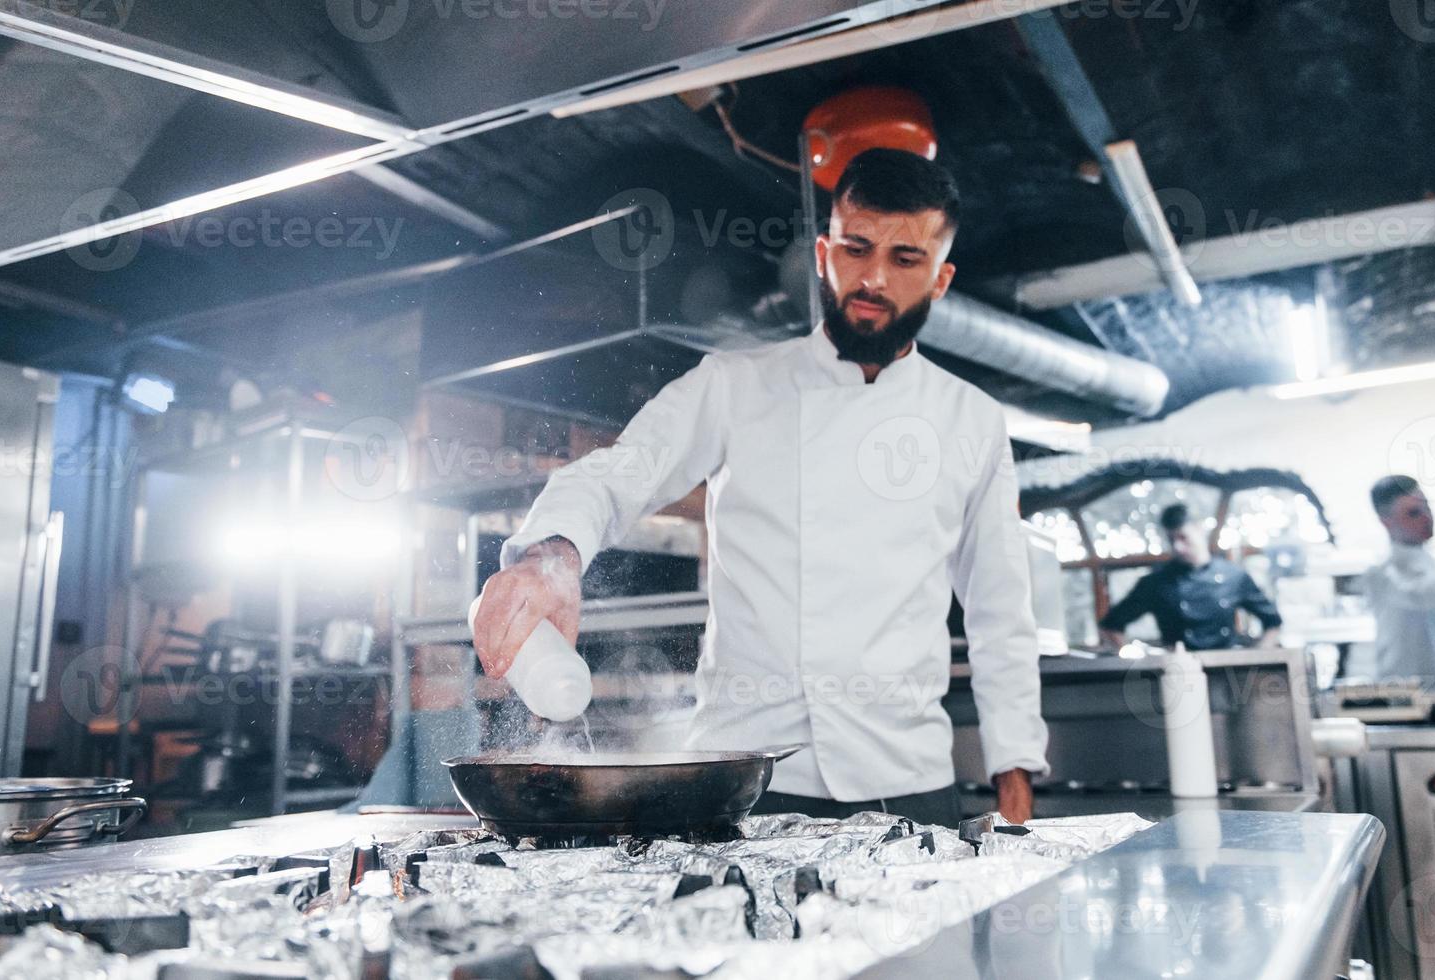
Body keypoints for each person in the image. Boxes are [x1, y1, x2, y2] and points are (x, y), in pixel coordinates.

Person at [472, 148, 1048, 826]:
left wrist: (1014, 770)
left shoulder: (971, 420)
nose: (872, 278)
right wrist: (552, 557)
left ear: (940, 278)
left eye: (904, 259)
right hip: (746, 778)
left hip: (906, 781)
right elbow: (621, 471)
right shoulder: (734, 385)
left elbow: (1000, 612)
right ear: (824, 251)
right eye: (856, 248)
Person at [1098, 503, 1282, 651]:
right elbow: (1110, 626)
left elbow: (1273, 622)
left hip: (1228, 671)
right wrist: (1136, 664)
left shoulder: (1234, 576)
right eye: (1172, 540)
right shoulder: (1155, 583)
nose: (1178, 547)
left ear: (1199, 529)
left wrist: (1257, 659)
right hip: (1177, 674)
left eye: (1183, 537)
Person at [1361, 475, 1435, 690]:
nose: (1427, 518)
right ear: (1386, 521)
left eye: (1427, 508)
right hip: (1402, 693)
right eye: (1414, 513)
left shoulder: (1426, 559)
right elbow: (1428, 591)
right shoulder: (1383, 572)